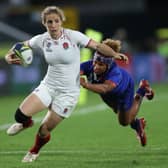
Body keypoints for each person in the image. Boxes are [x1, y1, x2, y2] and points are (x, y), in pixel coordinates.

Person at [5, 6, 128, 162]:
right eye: (49, 22)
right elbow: (20, 46)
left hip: (68, 93)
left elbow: (97, 46)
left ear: (61, 21)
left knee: (44, 130)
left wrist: (114, 54)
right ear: (44, 23)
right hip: (48, 86)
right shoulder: (42, 39)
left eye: (56, 21)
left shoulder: (73, 36)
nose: (53, 25)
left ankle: (34, 151)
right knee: (20, 115)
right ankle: (26, 123)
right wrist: (9, 57)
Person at [80, 39, 154, 147]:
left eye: (100, 64)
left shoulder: (115, 73)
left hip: (123, 92)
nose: (95, 66)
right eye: (95, 62)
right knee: (118, 112)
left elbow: (105, 88)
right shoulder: (90, 65)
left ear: (108, 65)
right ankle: (138, 124)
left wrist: (86, 85)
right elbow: (75, 71)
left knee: (124, 122)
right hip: (108, 95)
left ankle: (141, 91)